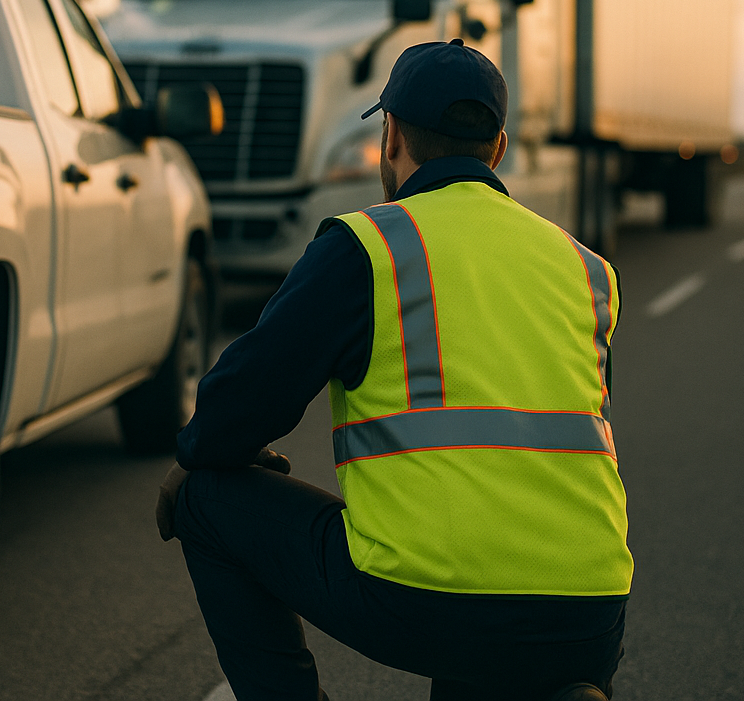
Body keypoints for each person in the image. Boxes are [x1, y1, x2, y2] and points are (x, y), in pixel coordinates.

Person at [155, 39, 632, 701]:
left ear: (390, 138)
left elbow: (237, 405)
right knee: (483, 621)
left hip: (429, 605)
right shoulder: (586, 269)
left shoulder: (367, 247)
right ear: (496, 151)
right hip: (592, 616)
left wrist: (205, 453)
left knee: (204, 500)